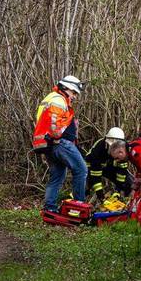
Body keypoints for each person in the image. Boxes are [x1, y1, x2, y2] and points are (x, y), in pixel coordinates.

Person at [32, 75, 87, 213]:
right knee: (81, 169)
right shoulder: (58, 100)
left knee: (57, 176)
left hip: (49, 144)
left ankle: (49, 208)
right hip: (59, 142)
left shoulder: (50, 98)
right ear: (66, 88)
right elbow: (54, 124)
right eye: (74, 93)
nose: (74, 96)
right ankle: (79, 207)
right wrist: (58, 136)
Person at [86, 126, 132, 203]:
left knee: (129, 183)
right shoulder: (98, 149)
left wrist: (118, 191)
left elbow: (122, 172)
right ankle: (77, 202)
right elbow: (95, 175)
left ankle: (125, 202)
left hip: (109, 167)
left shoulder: (124, 150)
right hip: (91, 166)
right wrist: (101, 196)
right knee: (86, 185)